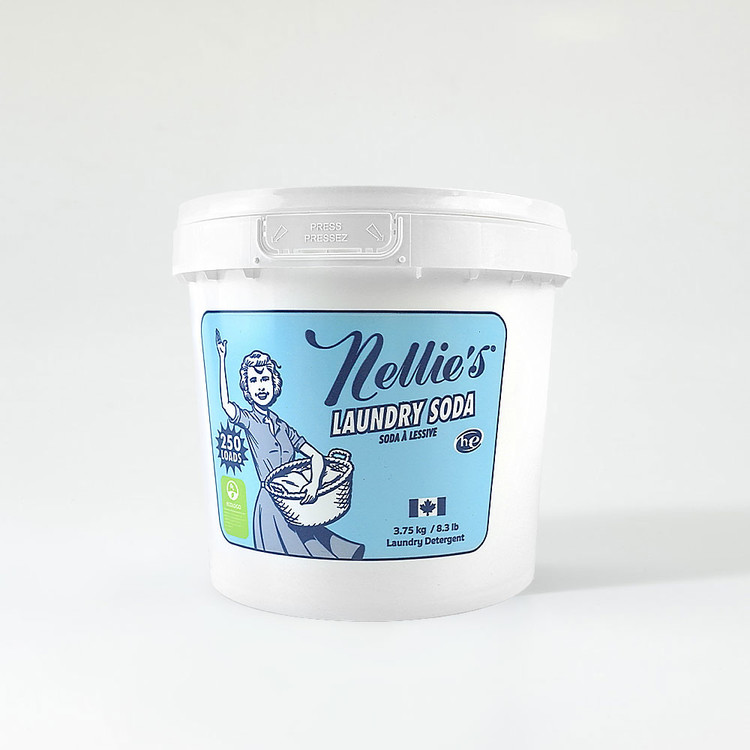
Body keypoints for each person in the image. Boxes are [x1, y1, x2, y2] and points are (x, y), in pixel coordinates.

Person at [216, 331, 364, 559]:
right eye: (253, 381)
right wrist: (221, 358)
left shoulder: (283, 426)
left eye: (265, 379)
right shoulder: (250, 421)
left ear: (274, 383)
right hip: (272, 505)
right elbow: (226, 404)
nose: (260, 386)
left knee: (322, 548)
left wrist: (314, 484)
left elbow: (316, 457)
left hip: (296, 502)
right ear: (246, 389)